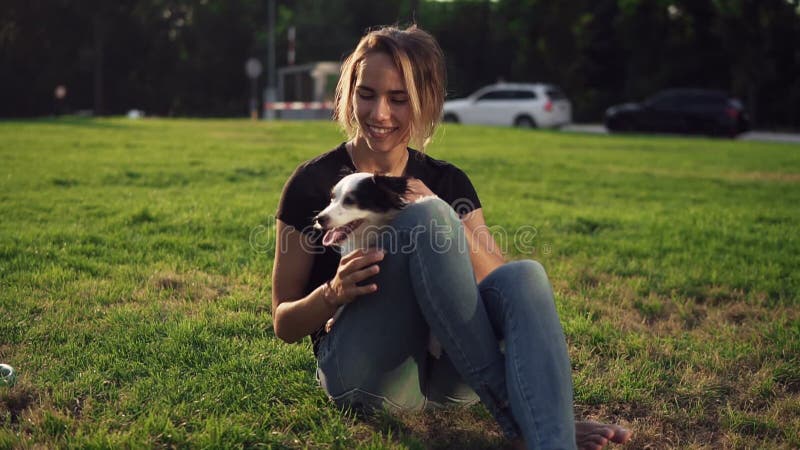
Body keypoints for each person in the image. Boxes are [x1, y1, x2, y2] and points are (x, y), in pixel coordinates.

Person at [272, 25, 632, 450]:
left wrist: (444, 212)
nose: (379, 113)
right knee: (426, 220)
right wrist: (332, 292)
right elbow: (284, 322)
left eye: (399, 99)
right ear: (349, 92)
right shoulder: (313, 184)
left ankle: (551, 438)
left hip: (448, 381)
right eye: (366, 94)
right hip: (367, 374)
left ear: (425, 102)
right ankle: (524, 418)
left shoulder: (448, 181)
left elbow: (501, 290)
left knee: (526, 276)